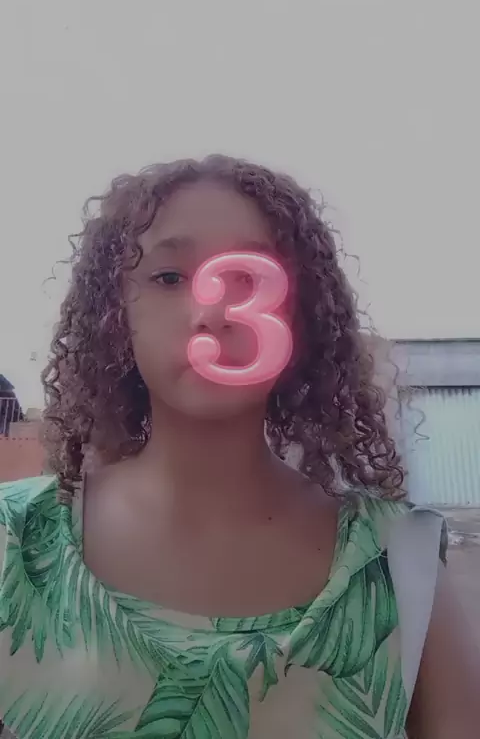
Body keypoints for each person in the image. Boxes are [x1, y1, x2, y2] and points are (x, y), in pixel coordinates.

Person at [0, 155, 478, 739]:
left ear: (303, 315)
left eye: (251, 278)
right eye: (168, 277)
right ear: (115, 313)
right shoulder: (11, 544)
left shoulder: (401, 564)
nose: (213, 312)